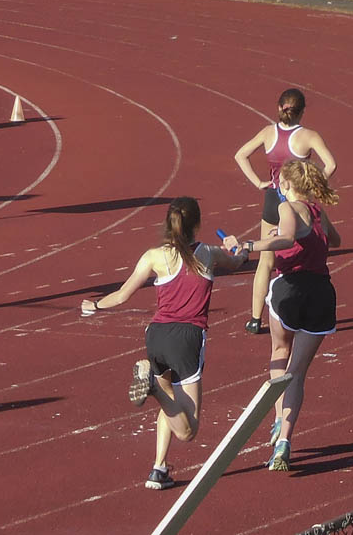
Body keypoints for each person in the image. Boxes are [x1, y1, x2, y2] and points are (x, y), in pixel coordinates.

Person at [80, 197, 248, 490]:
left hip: (156, 336)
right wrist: (241, 249)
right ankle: (155, 390)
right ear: (197, 225)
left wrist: (94, 305)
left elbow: (121, 295)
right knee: (189, 429)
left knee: (172, 401)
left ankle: (159, 468)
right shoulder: (208, 253)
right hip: (187, 339)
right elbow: (235, 261)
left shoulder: (153, 257)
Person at [235, 159, 340, 471]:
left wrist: (251, 244)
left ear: (287, 186)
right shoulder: (319, 210)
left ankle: (280, 419)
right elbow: (335, 241)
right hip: (321, 293)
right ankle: (285, 440)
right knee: (298, 372)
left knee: (280, 354)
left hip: (291, 289)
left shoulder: (286, 209)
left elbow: (286, 238)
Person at [234, 88, 337, 335]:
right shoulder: (309, 136)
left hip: (273, 198)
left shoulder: (268, 132)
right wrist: (314, 184)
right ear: (302, 112)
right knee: (302, 254)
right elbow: (331, 164)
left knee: (265, 259)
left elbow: (240, 155)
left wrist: (259, 182)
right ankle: (292, 310)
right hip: (297, 201)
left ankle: (255, 318)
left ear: (279, 107)